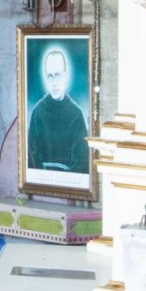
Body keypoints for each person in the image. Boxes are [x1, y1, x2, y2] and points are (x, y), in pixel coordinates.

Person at [25, 35, 90, 184]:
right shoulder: (38, 112)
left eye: (58, 75)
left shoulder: (76, 115)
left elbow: (82, 162)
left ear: (65, 76)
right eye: (50, 76)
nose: (54, 82)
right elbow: (32, 157)